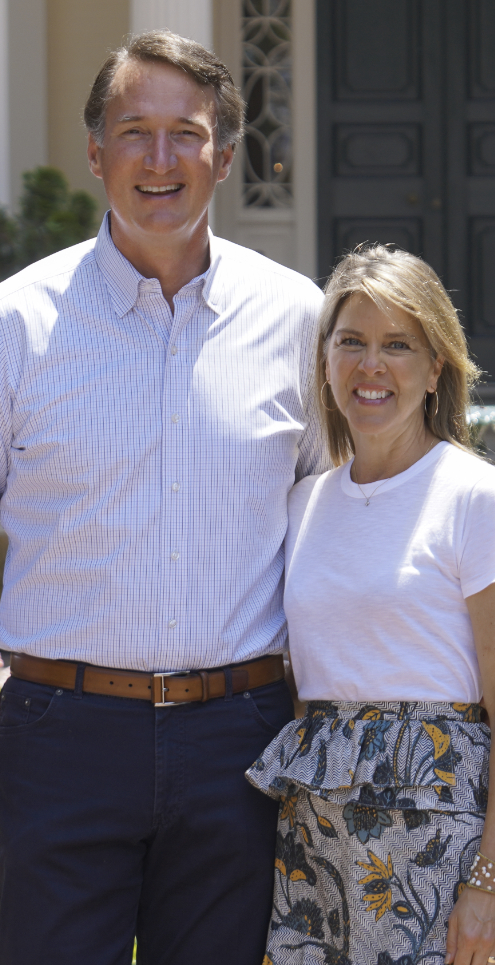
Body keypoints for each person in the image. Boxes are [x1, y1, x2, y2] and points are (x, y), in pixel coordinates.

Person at [0, 31, 328, 965]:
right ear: (96, 153)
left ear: (224, 154)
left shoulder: (298, 318)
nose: (160, 160)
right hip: (65, 735)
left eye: (187, 133)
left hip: (240, 741)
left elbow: (337, 528)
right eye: (135, 132)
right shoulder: (11, 324)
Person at [247, 245, 495, 965]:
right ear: (324, 359)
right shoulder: (303, 504)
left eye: (397, 345)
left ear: (435, 366)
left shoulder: (474, 497)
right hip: (314, 841)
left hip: (435, 850)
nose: (370, 365)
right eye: (350, 341)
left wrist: (487, 880)